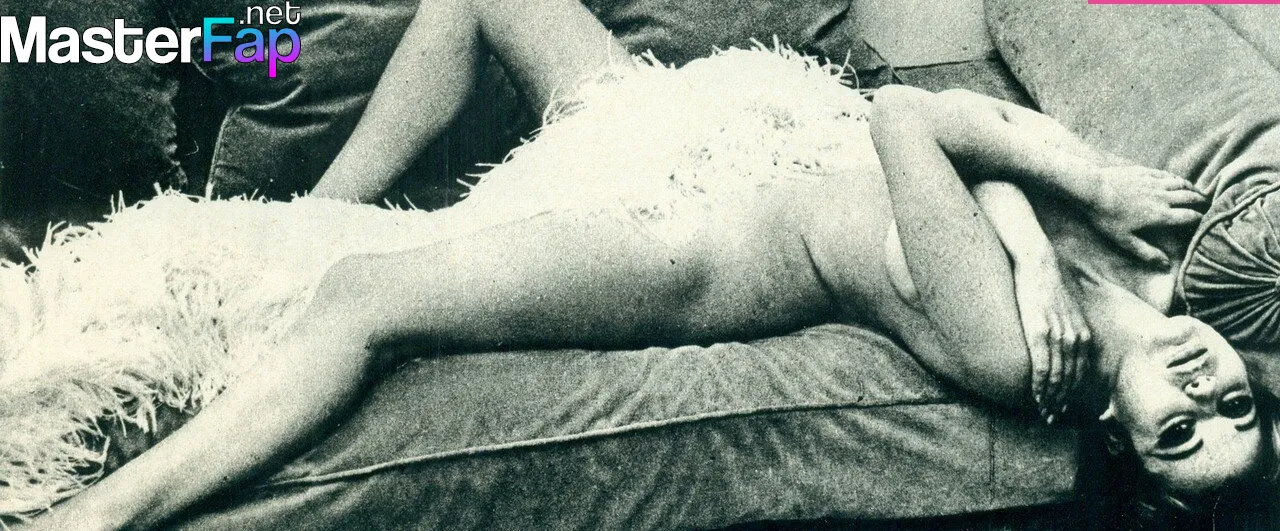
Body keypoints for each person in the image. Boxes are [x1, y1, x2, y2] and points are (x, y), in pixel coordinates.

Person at [14, 0, 1269, 529]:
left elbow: (906, 124)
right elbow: (963, 164)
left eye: (1179, 432)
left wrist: (1072, 202)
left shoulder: (1019, 357)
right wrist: (1039, 242)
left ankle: (111, 515)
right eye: (1235, 408)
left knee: (364, 300)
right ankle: (317, 207)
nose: (1202, 390)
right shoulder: (1153, 292)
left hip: (692, 235)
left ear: (1121, 438)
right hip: (731, 128)